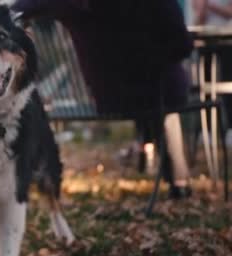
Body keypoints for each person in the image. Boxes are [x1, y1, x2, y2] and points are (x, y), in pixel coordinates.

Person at [11, 0, 193, 198]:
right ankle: (178, 181)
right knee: (162, 98)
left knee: (151, 96)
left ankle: (143, 150)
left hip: (108, 97)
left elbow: (17, 10)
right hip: (159, 92)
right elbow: (182, 46)